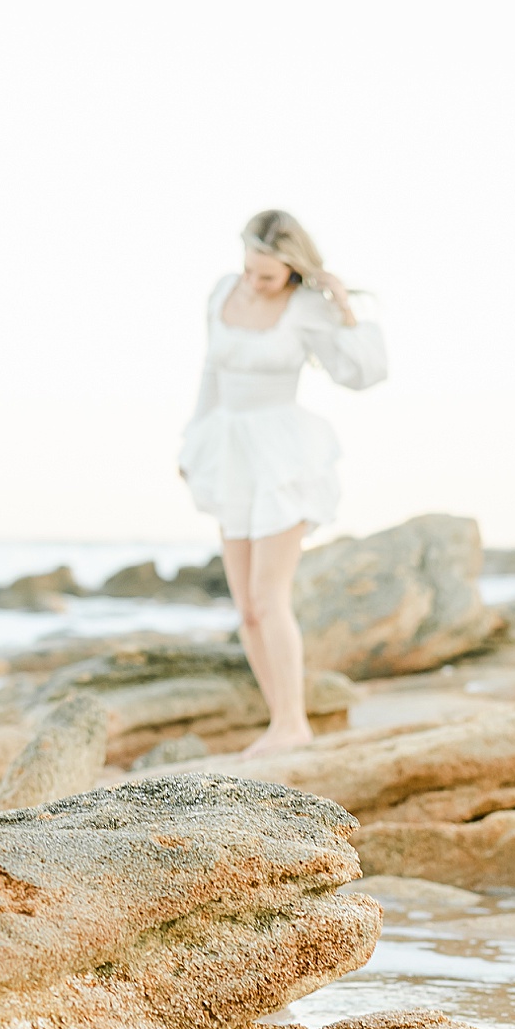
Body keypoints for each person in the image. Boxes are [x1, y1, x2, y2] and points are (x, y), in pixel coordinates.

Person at [179, 208, 388, 757]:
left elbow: (362, 374)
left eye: (267, 276)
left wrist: (343, 308)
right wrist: (193, 441)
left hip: (282, 458)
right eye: (251, 269)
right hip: (229, 453)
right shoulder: (223, 292)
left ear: (293, 272)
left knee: (270, 598)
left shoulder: (305, 309)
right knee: (245, 606)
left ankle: (293, 724)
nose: (255, 282)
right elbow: (211, 373)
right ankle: (281, 721)